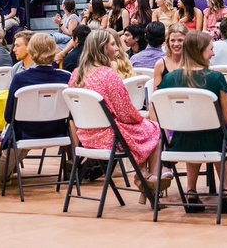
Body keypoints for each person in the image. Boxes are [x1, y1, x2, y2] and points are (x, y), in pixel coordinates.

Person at [68, 30, 168, 199]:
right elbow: (125, 113)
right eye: (113, 44)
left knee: (144, 129)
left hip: (86, 136)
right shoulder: (108, 75)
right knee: (155, 129)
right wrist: (141, 118)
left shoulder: (77, 74)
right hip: (110, 138)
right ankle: (149, 180)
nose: (117, 47)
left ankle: (145, 176)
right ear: (103, 48)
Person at [157, 31, 227, 212]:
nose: (213, 53)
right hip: (214, 142)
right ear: (200, 51)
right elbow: (226, 119)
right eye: (211, 49)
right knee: (219, 136)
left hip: (180, 142)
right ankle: (226, 191)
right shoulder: (216, 78)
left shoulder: (169, 79)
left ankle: (191, 191)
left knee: (191, 131)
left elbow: (157, 114)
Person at [1, 33, 72, 163]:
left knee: (2, 174)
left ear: (31, 52)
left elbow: (8, 116)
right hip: (58, 131)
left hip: (26, 133)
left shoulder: (20, 78)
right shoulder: (66, 77)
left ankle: (2, 173)